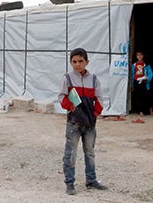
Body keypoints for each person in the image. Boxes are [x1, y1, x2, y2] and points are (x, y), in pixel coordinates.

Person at [58, 48, 108, 195]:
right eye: (74, 62)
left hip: (90, 123)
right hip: (74, 122)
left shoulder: (93, 79)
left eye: (81, 61)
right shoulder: (67, 78)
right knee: (71, 153)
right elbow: (62, 97)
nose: (77, 65)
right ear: (70, 62)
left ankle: (91, 180)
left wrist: (96, 113)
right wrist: (71, 107)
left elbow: (99, 98)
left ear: (87, 62)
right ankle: (69, 183)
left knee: (90, 152)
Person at [130, 51, 153, 117]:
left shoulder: (146, 64)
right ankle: (141, 111)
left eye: (141, 55)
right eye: (138, 55)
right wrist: (132, 84)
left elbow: (150, 73)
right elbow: (132, 75)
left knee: (147, 96)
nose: (139, 57)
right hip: (137, 82)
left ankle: (150, 110)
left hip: (145, 82)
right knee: (138, 97)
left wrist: (147, 79)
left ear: (143, 55)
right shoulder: (134, 65)